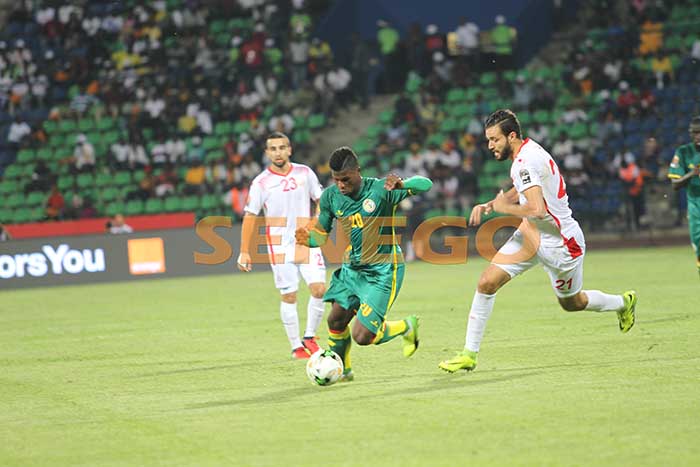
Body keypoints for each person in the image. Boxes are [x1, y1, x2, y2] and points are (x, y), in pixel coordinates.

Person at [439, 109, 637, 373]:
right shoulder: (527, 152)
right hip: (532, 233)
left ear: (511, 136)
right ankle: (469, 354)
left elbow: (538, 209)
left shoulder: (525, 162)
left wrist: (503, 208)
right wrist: (493, 203)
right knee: (486, 282)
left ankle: (623, 302)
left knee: (572, 303)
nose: (490, 146)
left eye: (494, 140)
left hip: (561, 244)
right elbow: (524, 188)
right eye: (488, 140)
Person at [295, 147, 433, 381]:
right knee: (335, 320)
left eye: (345, 179)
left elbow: (426, 184)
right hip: (353, 269)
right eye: (336, 180)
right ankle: (344, 371)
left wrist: (403, 183)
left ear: (358, 171)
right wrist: (307, 240)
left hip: (384, 270)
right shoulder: (330, 197)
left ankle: (406, 327)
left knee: (363, 335)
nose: (340, 185)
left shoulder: (381, 189)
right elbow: (321, 235)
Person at [237, 132, 327, 360]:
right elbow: (249, 216)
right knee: (289, 296)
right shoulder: (261, 183)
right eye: (273, 148)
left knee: (319, 289)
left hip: (305, 240)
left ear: (290, 150)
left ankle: (310, 337)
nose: (278, 152)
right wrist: (244, 251)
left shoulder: (305, 173)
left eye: (282, 147)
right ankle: (297, 346)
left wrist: (315, 223)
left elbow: (321, 201)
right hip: (279, 246)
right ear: (267, 153)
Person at [668, 116, 700, 278]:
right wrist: (692, 174)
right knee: (699, 246)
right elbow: (674, 184)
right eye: (694, 133)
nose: (698, 136)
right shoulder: (683, 152)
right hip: (695, 207)